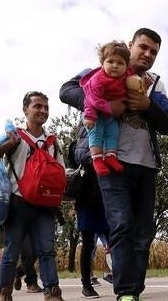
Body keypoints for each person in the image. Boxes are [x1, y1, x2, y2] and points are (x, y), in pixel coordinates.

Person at [60, 27, 168, 301]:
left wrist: (147, 105)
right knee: (121, 224)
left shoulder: (155, 83)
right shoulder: (100, 71)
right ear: (130, 44)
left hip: (146, 166)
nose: (147, 55)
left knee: (143, 232)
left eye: (154, 52)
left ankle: (134, 287)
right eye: (143, 47)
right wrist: (104, 104)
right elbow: (66, 90)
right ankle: (125, 292)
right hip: (110, 162)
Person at [0, 91, 66, 301]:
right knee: (11, 252)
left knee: (47, 251)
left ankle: (52, 293)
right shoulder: (14, 136)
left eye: (46, 107)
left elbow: (61, 172)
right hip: (18, 203)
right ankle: (4, 292)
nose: (43, 111)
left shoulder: (54, 143)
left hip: (45, 205)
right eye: (37, 106)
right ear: (25, 110)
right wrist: (6, 145)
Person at [81, 40, 135, 176]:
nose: (115, 66)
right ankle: (97, 159)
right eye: (110, 62)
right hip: (95, 113)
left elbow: (134, 85)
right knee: (96, 133)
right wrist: (89, 116)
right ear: (102, 63)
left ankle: (111, 156)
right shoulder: (97, 80)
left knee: (113, 133)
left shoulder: (126, 76)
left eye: (120, 63)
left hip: (110, 115)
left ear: (126, 66)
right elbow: (90, 99)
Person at [72, 125, 111, 298]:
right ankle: (86, 284)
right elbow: (77, 157)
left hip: (108, 194)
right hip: (88, 195)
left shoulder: (110, 128)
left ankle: (123, 280)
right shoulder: (84, 133)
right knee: (88, 243)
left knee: (116, 241)